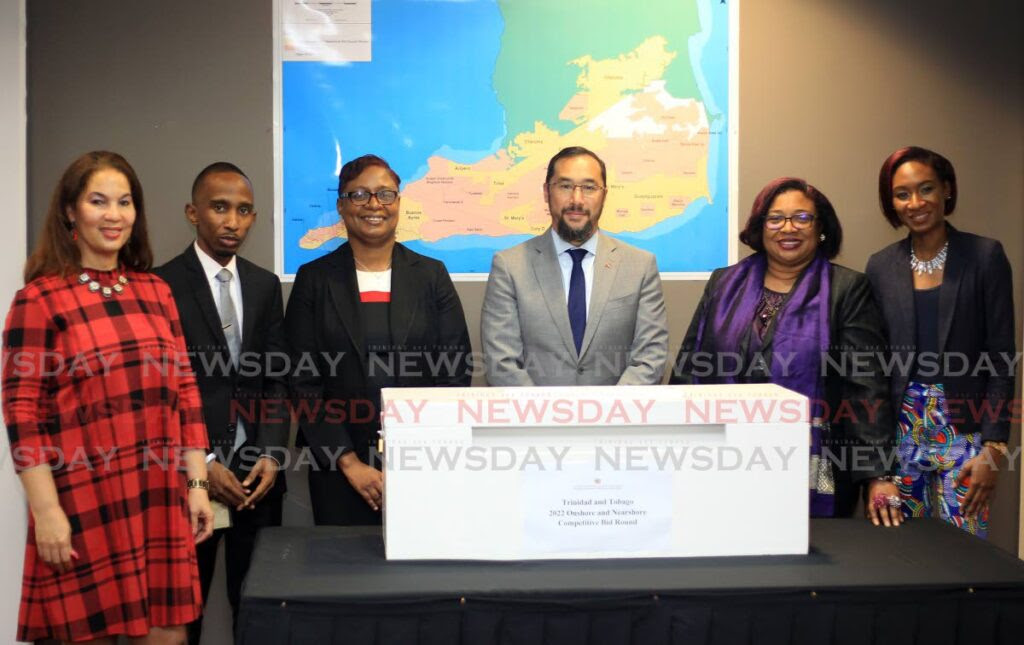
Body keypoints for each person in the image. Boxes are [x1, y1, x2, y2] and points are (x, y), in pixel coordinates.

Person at [2, 151, 213, 643]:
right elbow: (22, 415)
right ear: (71, 211)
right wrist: (47, 512)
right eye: (98, 201)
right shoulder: (39, 300)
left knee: (167, 636)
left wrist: (197, 485)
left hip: (158, 499)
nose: (113, 215)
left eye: (124, 202)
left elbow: (185, 391)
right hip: (80, 505)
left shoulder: (155, 291)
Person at [670, 177, 900, 524]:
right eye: (775, 218)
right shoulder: (723, 282)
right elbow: (690, 368)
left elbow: (865, 385)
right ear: (760, 228)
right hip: (721, 460)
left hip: (814, 464)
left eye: (802, 218)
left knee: (803, 570)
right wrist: (672, 442)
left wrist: (877, 475)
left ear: (821, 228)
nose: (787, 228)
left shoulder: (846, 289)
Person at [286, 154, 472, 525]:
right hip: (340, 472)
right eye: (360, 195)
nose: (374, 205)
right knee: (344, 575)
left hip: (424, 464)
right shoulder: (315, 279)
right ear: (341, 206)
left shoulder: (431, 276)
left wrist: (417, 455)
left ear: (398, 203)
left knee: (418, 577)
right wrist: (349, 462)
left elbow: (454, 371)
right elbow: (303, 381)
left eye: (386, 194)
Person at [153, 162, 290, 643]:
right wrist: (204, 461)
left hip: (257, 480)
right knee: (181, 613)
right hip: (190, 478)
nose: (233, 221)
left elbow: (277, 379)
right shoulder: (160, 286)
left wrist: (272, 453)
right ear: (194, 212)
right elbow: (161, 393)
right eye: (220, 207)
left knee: (257, 609)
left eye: (245, 210)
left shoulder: (265, 285)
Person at [866, 146, 1015, 537]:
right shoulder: (880, 266)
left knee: (965, 545)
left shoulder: (985, 256)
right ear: (891, 202)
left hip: (965, 425)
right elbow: (875, 371)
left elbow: (1001, 358)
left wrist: (995, 448)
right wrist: (877, 465)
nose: (915, 203)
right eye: (902, 194)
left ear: (947, 190)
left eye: (926, 189)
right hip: (902, 425)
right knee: (902, 546)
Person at [481, 146, 669, 386]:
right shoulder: (509, 266)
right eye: (565, 186)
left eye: (589, 188)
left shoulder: (640, 266)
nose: (576, 200)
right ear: (547, 192)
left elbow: (649, 358)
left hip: (615, 419)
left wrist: (608, 415)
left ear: (604, 195)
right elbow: (502, 363)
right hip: (535, 419)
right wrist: (546, 418)